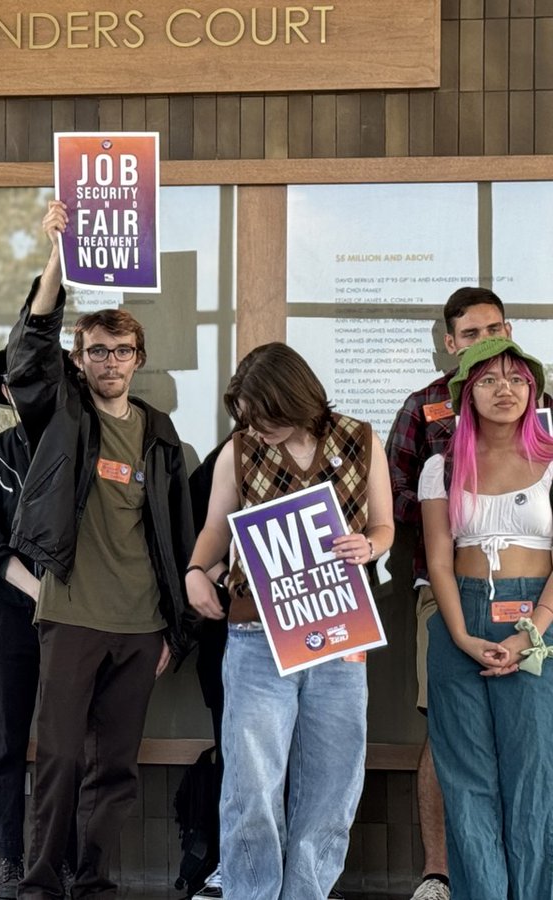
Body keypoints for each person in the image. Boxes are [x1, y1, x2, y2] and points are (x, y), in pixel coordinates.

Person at [6, 201, 194, 899]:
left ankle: (94, 882)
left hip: (141, 628)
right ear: (80, 361)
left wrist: (175, 627)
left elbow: (174, 536)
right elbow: (28, 352)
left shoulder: (161, 433)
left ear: (138, 358)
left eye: (121, 351)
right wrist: (57, 255)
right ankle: (40, 883)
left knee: (114, 767)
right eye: (96, 352)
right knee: (56, 759)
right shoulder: (64, 415)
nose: (110, 362)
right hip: (73, 615)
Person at [185, 342, 393, 900]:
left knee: (334, 780)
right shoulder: (240, 448)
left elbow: (385, 527)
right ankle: (251, 892)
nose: (256, 425)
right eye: (247, 414)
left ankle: (309, 891)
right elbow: (215, 528)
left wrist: (367, 547)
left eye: (265, 412)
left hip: (338, 627)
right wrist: (196, 571)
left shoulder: (360, 439)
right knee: (251, 780)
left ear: (296, 397)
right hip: (256, 632)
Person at [384, 287, 541, 900]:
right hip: (445, 590)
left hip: (535, 602)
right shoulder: (425, 412)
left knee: (533, 751)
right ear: (451, 347)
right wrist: (447, 514)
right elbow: (397, 498)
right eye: (472, 337)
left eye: (497, 330)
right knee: (450, 738)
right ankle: (441, 871)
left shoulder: (539, 406)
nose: (489, 350)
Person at [419, 337, 553, 899]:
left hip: (537, 619)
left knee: (534, 774)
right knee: (467, 777)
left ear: (535, 390)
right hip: (460, 617)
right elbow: (439, 564)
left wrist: (534, 633)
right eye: (491, 380)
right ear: (466, 392)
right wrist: (461, 636)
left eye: (518, 379)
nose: (506, 390)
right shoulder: (441, 465)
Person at [0, 349, 54, 899]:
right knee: (8, 738)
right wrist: (37, 589)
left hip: (80, 618)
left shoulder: (81, 447)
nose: (24, 388)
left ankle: (60, 858)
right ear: (4, 391)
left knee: (67, 744)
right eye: (14, 381)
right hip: (11, 612)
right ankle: (9, 857)